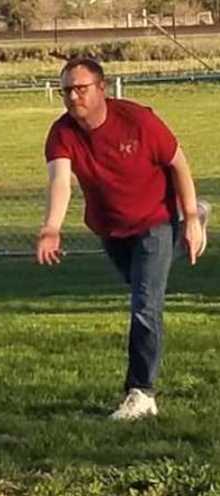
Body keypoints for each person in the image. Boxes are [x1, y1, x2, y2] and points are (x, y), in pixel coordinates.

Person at [37, 57, 209, 421]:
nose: (72, 97)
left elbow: (179, 163)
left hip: (155, 220)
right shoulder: (62, 133)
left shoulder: (138, 120)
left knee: (145, 306)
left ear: (101, 88)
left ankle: (141, 393)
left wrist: (190, 215)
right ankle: (186, 233)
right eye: (66, 90)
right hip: (111, 229)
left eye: (80, 89)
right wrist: (51, 227)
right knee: (144, 289)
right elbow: (60, 182)